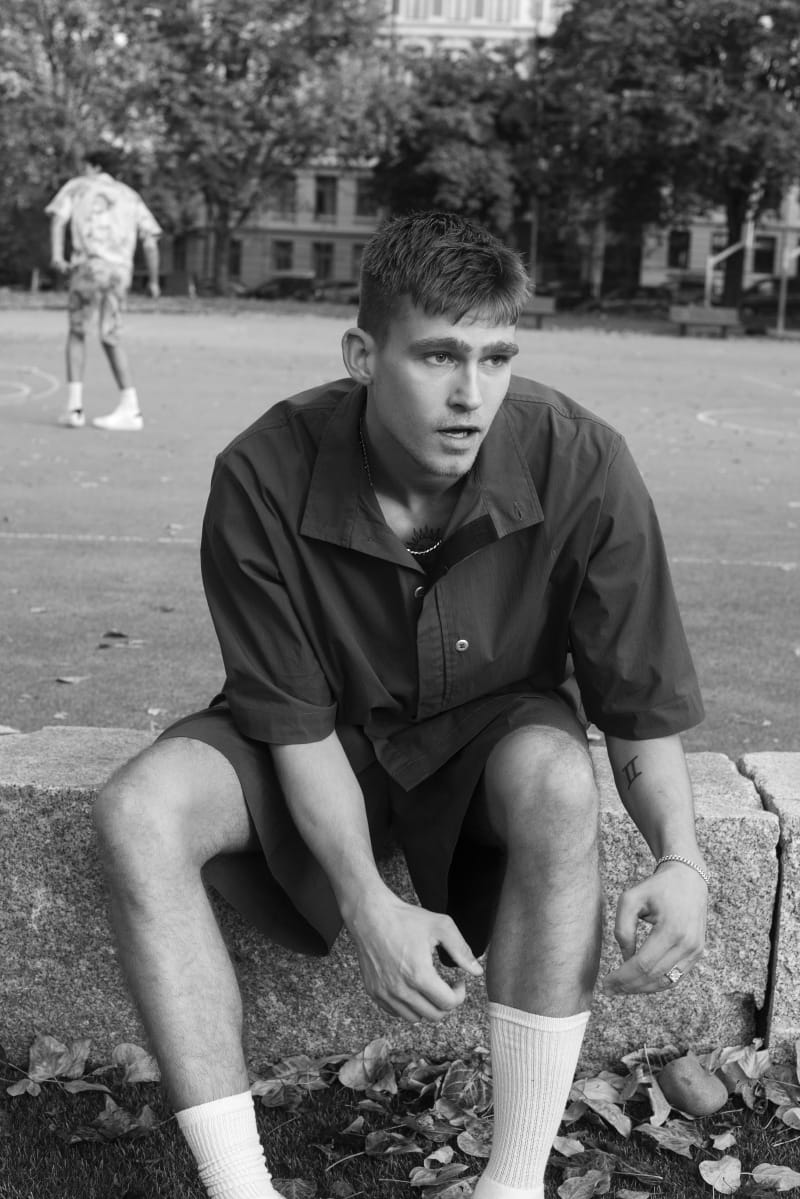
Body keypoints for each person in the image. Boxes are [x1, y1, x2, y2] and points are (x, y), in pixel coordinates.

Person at [93, 212, 709, 1199]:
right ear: (362, 355)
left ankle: (511, 1184)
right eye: (437, 356)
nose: (471, 394)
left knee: (560, 779)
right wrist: (367, 900)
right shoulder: (261, 471)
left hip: (490, 735)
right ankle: (239, 1186)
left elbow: (635, 700)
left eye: (495, 358)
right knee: (138, 810)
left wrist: (680, 858)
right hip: (322, 733)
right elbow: (294, 727)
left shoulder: (582, 458)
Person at [45, 145, 162, 431]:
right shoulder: (130, 195)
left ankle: (74, 408)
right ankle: (130, 407)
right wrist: (154, 280)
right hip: (119, 273)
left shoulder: (78, 187)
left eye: (85, 165)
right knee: (111, 335)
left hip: (89, 267)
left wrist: (58, 256)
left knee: (77, 332)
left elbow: (58, 220)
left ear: (94, 166)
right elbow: (150, 241)